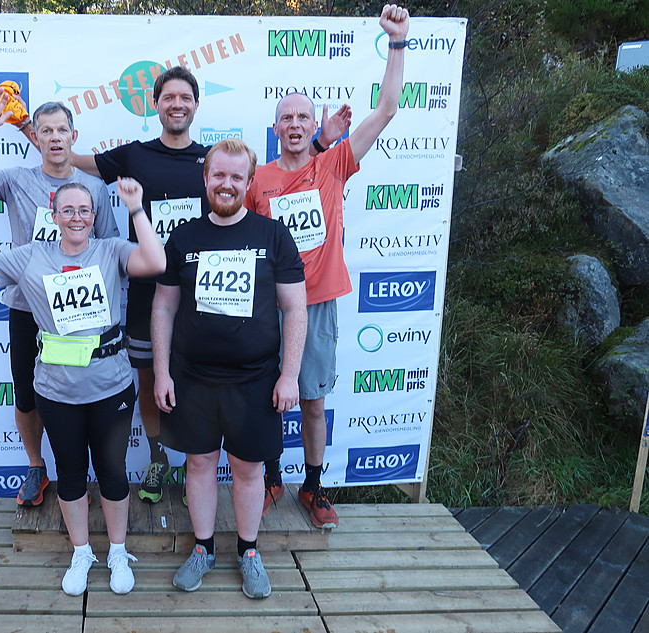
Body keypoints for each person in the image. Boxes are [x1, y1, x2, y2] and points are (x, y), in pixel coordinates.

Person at [0, 177, 165, 596]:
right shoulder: (32, 255)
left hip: (110, 386)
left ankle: (117, 551)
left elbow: (155, 262)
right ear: (54, 216)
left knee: (112, 472)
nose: (77, 217)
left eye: (84, 210)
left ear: (94, 216)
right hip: (57, 390)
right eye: (68, 210)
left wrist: (135, 207)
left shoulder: (110, 249)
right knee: (70, 473)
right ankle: (81, 552)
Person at [245, 4, 410, 529]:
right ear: (275, 128)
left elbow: (386, 109)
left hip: (316, 306)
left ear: (314, 125)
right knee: (267, 401)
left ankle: (313, 487)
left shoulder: (334, 163)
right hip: (267, 309)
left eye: (303, 117)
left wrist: (397, 43)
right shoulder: (258, 179)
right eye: (286, 118)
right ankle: (272, 479)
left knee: (312, 403)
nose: (294, 124)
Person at [0, 93, 119, 508]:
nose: (55, 138)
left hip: (81, 314)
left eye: (62, 130)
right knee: (26, 395)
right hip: (28, 309)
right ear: (35, 137)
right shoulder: (17, 179)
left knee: (85, 397)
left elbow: (111, 250)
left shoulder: (95, 188)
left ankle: (82, 477)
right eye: (46, 131)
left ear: (74, 135)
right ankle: (36, 465)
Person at [152, 138, 307, 599]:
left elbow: (295, 309)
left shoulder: (273, 236)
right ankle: (202, 548)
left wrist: (289, 374)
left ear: (249, 182)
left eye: (237, 177)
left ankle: (248, 551)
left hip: (255, 380)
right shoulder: (183, 238)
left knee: (248, 468)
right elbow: (163, 308)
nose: (227, 184)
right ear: (206, 178)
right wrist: (161, 372)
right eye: (219, 175)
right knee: (199, 463)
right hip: (192, 378)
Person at [69, 66, 209, 504]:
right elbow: (76, 161)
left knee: (200, 380)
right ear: (156, 104)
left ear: (196, 104)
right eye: (169, 97)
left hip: (203, 293)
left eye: (184, 97)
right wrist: (38, 136)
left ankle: (197, 467)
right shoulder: (135, 155)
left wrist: (320, 145)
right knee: (149, 380)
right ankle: (157, 457)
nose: (177, 104)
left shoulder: (213, 160)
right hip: (148, 293)